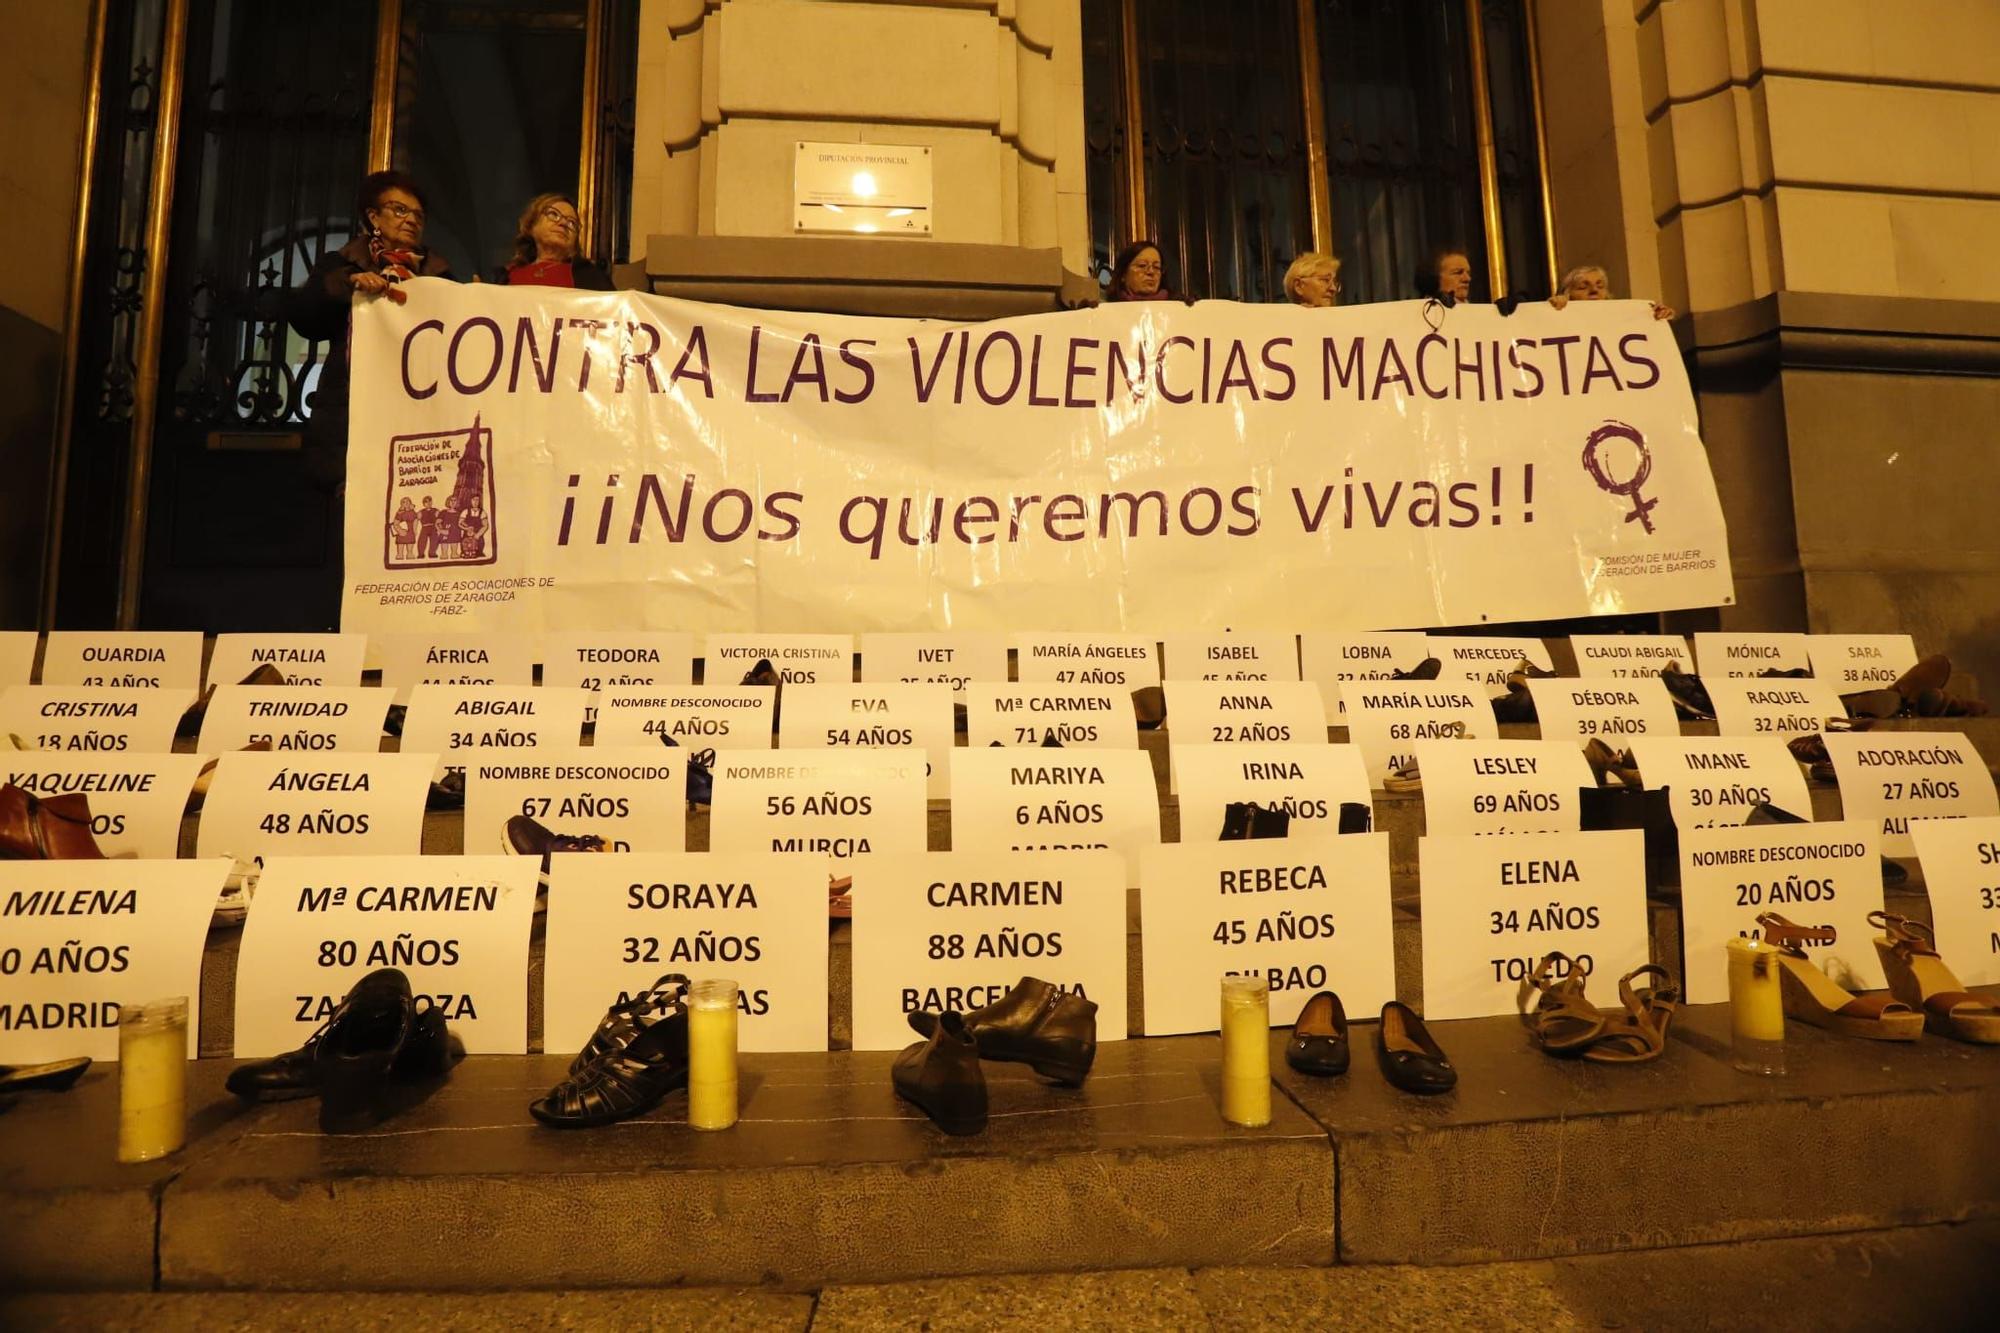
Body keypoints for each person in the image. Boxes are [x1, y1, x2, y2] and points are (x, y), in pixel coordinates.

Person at [286, 171, 453, 494]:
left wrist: (469, 302)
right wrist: (346, 286)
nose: (411, 220)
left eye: (418, 215)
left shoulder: (439, 273)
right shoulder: (342, 264)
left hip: (418, 410)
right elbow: (305, 318)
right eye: (400, 210)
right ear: (373, 216)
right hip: (351, 412)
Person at [489, 192, 614, 289]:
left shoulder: (591, 277)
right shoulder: (505, 277)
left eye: (572, 223)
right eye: (554, 214)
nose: (563, 223)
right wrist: (479, 296)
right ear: (532, 225)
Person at [1550, 263, 1676, 320]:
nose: (1594, 290)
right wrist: (1552, 309)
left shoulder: (1625, 318)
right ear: (1567, 294)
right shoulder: (1556, 319)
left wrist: (1656, 316)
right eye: (1583, 287)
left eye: (1600, 286)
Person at [1108, 240, 1175, 302]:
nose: (1151, 272)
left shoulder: (1178, 307)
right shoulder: (1106, 310)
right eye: (1142, 265)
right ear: (1123, 274)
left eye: (1156, 267)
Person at [391, 497, 417, 561]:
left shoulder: (413, 512)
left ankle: (410, 553)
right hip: (402, 531)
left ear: (410, 503)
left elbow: (416, 520)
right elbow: (395, 523)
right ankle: (400, 554)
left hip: (410, 531)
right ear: (401, 504)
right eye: (404, 502)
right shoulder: (399, 513)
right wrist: (400, 530)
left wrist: (415, 530)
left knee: (410, 543)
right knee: (400, 543)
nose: (406, 503)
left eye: (408, 501)